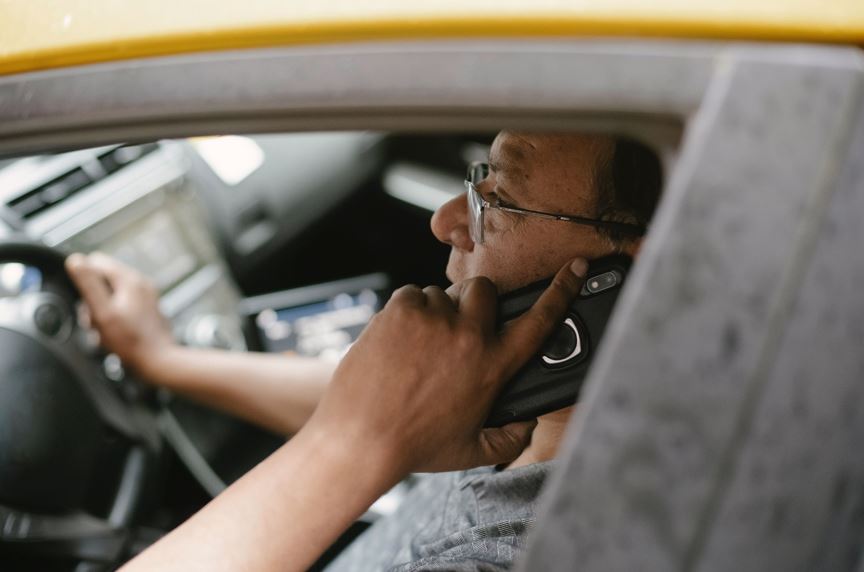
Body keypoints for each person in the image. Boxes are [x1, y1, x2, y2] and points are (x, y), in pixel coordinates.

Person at [65, 131, 662, 570]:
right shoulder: (547, 405)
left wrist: (352, 446)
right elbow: (389, 404)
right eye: (477, 176)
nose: (446, 220)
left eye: (499, 198)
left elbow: (374, 421)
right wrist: (169, 363)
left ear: (639, 276)